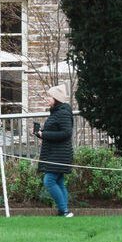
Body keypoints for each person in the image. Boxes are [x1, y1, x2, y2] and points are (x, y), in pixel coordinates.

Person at [34, 84, 74, 217]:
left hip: (59, 154)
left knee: (49, 181)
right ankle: (64, 211)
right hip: (55, 153)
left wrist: (44, 135)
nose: (47, 99)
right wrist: (41, 132)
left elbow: (66, 133)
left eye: (49, 97)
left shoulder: (62, 113)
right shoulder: (57, 112)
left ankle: (64, 210)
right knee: (59, 182)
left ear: (56, 99)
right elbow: (56, 130)